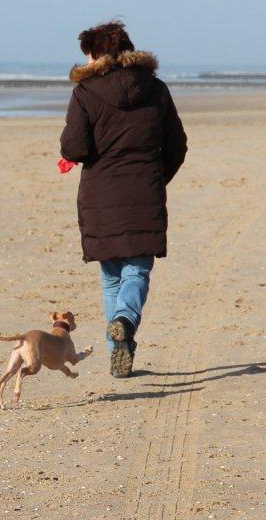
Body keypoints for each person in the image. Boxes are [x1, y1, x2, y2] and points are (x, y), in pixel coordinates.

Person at [59, 20, 187, 378]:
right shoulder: (156, 89)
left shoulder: (85, 92)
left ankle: (120, 339)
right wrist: (156, 178)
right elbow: (177, 145)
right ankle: (123, 330)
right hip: (144, 192)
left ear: (94, 54)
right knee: (137, 270)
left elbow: (74, 147)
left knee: (113, 277)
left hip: (100, 194)